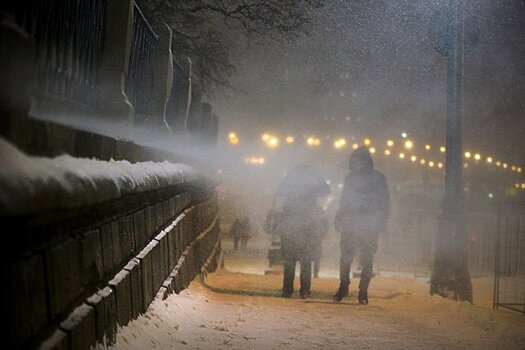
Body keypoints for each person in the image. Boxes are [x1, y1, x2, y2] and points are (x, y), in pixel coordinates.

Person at [333, 146, 390, 304]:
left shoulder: (352, 178)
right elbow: (385, 203)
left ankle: (348, 288)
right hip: (365, 224)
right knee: (363, 258)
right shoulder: (377, 178)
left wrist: (340, 217)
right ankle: (360, 291)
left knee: (349, 257)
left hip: (358, 223)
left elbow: (345, 201)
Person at [276, 164, 330, 298]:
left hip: (291, 223)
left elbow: (279, 192)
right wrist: (319, 177)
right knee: (306, 261)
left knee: (290, 261)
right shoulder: (312, 187)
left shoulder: (289, 184)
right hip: (308, 224)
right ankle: (305, 290)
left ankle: (287, 289)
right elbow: (325, 190)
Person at [312, 206, 329, 278]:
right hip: (318, 237)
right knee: (317, 256)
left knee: (310, 256)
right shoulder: (321, 212)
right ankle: (315, 273)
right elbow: (326, 225)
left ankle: (312, 272)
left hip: (311, 237)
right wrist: (323, 235)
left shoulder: (309, 211)